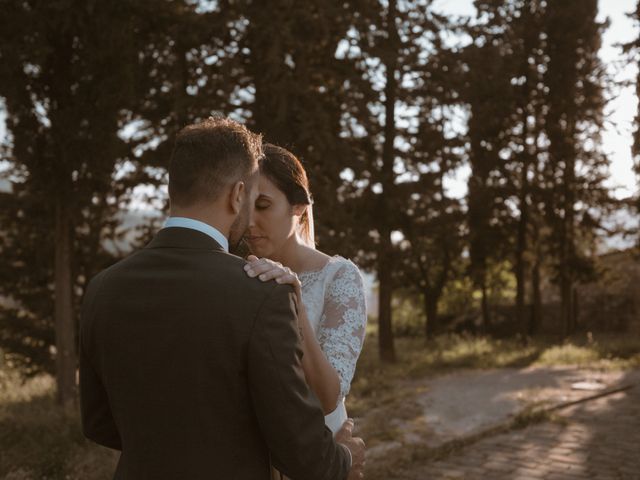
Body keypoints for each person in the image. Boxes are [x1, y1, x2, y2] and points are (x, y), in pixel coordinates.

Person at [79, 117, 365, 480]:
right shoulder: (261, 293)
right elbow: (299, 448)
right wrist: (343, 458)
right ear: (237, 195)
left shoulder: (102, 288)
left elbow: (98, 423)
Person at [242, 144, 368, 479]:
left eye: (263, 205)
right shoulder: (241, 273)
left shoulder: (338, 277)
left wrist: (295, 303)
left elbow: (329, 395)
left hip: (320, 450)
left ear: (298, 206)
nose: (250, 222)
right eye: (244, 206)